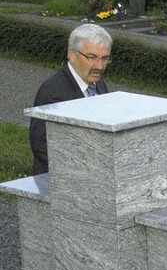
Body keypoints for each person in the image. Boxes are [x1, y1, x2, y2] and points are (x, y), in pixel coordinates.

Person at [29, 24, 112, 175]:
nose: (99, 66)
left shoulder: (99, 85)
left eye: (105, 58)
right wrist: (88, 164)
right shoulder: (53, 91)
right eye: (92, 57)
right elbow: (41, 145)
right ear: (72, 55)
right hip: (59, 182)